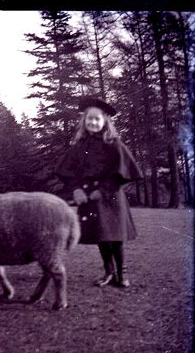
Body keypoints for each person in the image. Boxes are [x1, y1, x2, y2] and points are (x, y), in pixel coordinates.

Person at [55, 96, 143, 288]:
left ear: (105, 121)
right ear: (84, 122)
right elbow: (65, 171)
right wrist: (76, 189)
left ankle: (121, 274)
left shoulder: (114, 144)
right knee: (101, 236)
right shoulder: (79, 147)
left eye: (97, 119)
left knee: (116, 237)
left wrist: (102, 191)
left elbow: (123, 173)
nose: (93, 122)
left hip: (111, 197)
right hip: (88, 197)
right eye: (89, 119)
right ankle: (108, 271)